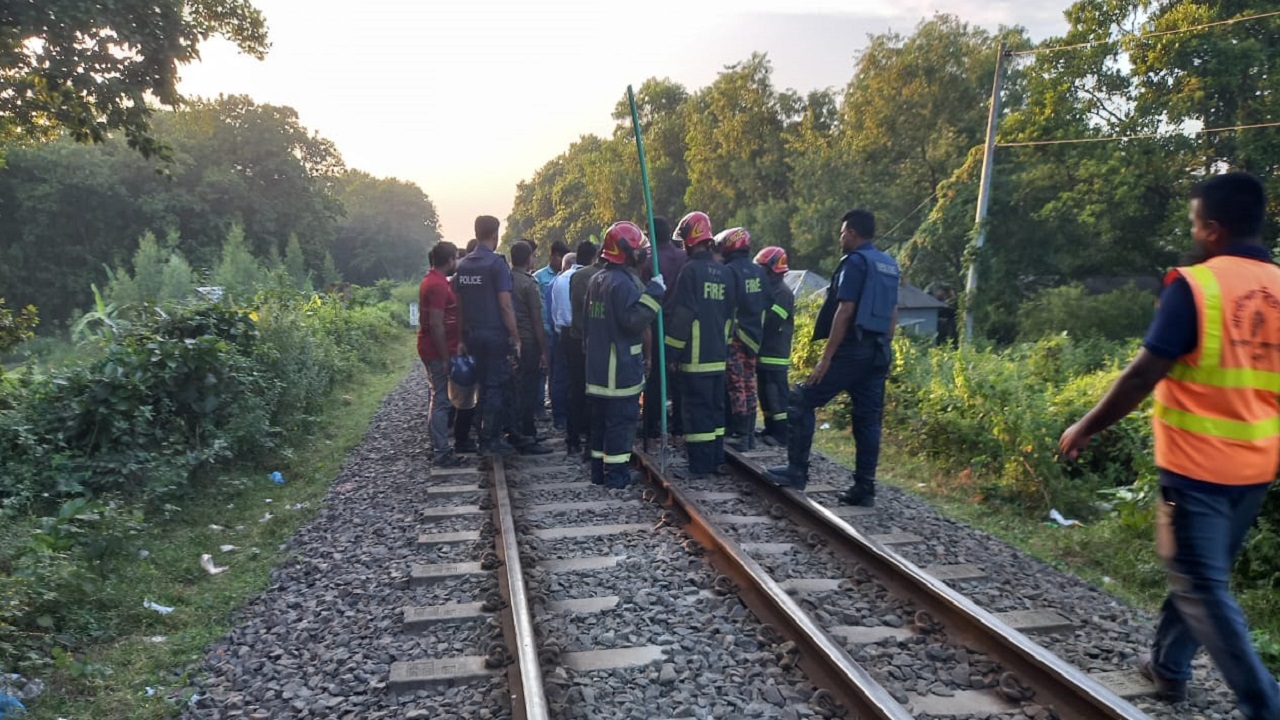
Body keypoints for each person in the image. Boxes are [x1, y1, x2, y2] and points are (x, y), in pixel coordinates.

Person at [1059, 172, 1280, 720]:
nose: (1193, 231)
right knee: (1200, 575)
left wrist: (1085, 426)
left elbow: (1142, 374)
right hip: (1257, 467)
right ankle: (1168, 667)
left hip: (1199, 467)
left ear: (1213, 228)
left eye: (1194, 222)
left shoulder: (1196, 285)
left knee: (1201, 585)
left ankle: (1264, 703)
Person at [765, 209, 898, 502]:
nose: (840, 238)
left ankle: (796, 470)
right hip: (878, 352)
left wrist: (826, 359)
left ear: (851, 232)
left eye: (842, 233)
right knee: (868, 420)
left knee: (801, 398)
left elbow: (846, 309)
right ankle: (865, 488)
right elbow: (893, 312)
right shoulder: (888, 264)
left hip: (853, 350)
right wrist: (886, 347)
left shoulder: (856, 262)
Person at [584, 222, 664, 487]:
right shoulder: (625, 284)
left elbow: (586, 323)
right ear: (628, 251)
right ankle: (617, 476)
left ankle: (598, 472)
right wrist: (654, 294)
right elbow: (633, 322)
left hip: (597, 369)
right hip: (619, 370)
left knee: (599, 425)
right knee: (620, 424)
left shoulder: (596, 279)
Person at [665, 211, 736, 478]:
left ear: (690, 240)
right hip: (718, 355)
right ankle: (716, 458)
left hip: (695, 357)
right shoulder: (725, 273)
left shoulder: (690, 272)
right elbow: (732, 315)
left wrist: (671, 352)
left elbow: (683, 317)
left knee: (696, 412)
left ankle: (699, 466)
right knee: (716, 410)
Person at [454, 216, 530, 458]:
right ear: (495, 235)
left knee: (484, 386)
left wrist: (462, 339)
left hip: (473, 335)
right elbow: (506, 306)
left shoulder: (464, 266)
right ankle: (490, 440)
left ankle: (485, 434)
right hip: (495, 335)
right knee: (495, 387)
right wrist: (516, 338)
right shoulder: (497, 264)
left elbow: (460, 307)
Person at [717, 227, 768, 451]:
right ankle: (749, 435)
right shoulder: (759, 272)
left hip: (735, 336)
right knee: (749, 383)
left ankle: (739, 434)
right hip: (754, 337)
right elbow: (769, 302)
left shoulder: (729, 271)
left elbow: (724, 305)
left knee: (736, 384)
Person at [417, 241, 464, 468]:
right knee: (441, 401)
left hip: (434, 348)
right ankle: (441, 451)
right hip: (436, 351)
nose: (457, 261)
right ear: (449, 260)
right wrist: (445, 357)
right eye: (456, 257)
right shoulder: (436, 285)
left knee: (438, 398)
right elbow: (436, 324)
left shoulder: (433, 281)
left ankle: (439, 446)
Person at [509, 240, 551, 443]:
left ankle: (515, 429)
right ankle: (527, 432)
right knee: (529, 388)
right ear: (527, 259)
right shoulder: (529, 283)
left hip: (509, 341)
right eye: (533, 256)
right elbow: (536, 319)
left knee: (514, 387)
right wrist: (544, 350)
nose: (534, 259)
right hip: (528, 341)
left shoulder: (506, 279)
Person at [753, 246, 794, 446]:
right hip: (764, 353)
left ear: (772, 268)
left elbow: (772, 322)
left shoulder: (783, 293)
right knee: (766, 394)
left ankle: (781, 435)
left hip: (775, 354)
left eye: (762, 268)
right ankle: (770, 429)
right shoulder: (770, 289)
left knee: (777, 395)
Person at [568, 241, 603, 458]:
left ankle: (572, 440)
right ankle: (593, 439)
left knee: (576, 391)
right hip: (597, 341)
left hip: (575, 338)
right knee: (596, 393)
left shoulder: (576, 277)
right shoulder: (603, 278)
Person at [535, 240, 569, 418]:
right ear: (554, 256)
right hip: (545, 328)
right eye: (560, 257)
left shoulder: (568, 276)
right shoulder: (539, 277)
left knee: (558, 371)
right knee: (544, 368)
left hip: (560, 330)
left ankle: (555, 405)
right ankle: (539, 407)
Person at [449, 240, 478, 454]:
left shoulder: (458, 279)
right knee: (468, 392)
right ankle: (463, 438)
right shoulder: (486, 273)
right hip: (473, 338)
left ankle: (463, 435)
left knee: (465, 391)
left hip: (465, 338)